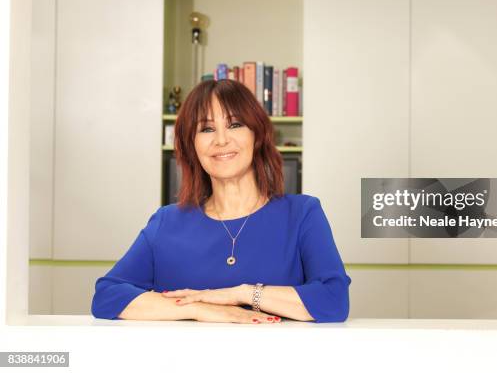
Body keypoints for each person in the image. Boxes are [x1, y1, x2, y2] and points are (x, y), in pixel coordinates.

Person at [91, 79, 352, 324]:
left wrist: (242, 294)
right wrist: (198, 308)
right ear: (191, 145)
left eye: (235, 124)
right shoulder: (166, 222)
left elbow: (333, 300)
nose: (221, 140)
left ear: (257, 136)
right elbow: (107, 296)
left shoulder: (303, 214)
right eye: (206, 129)